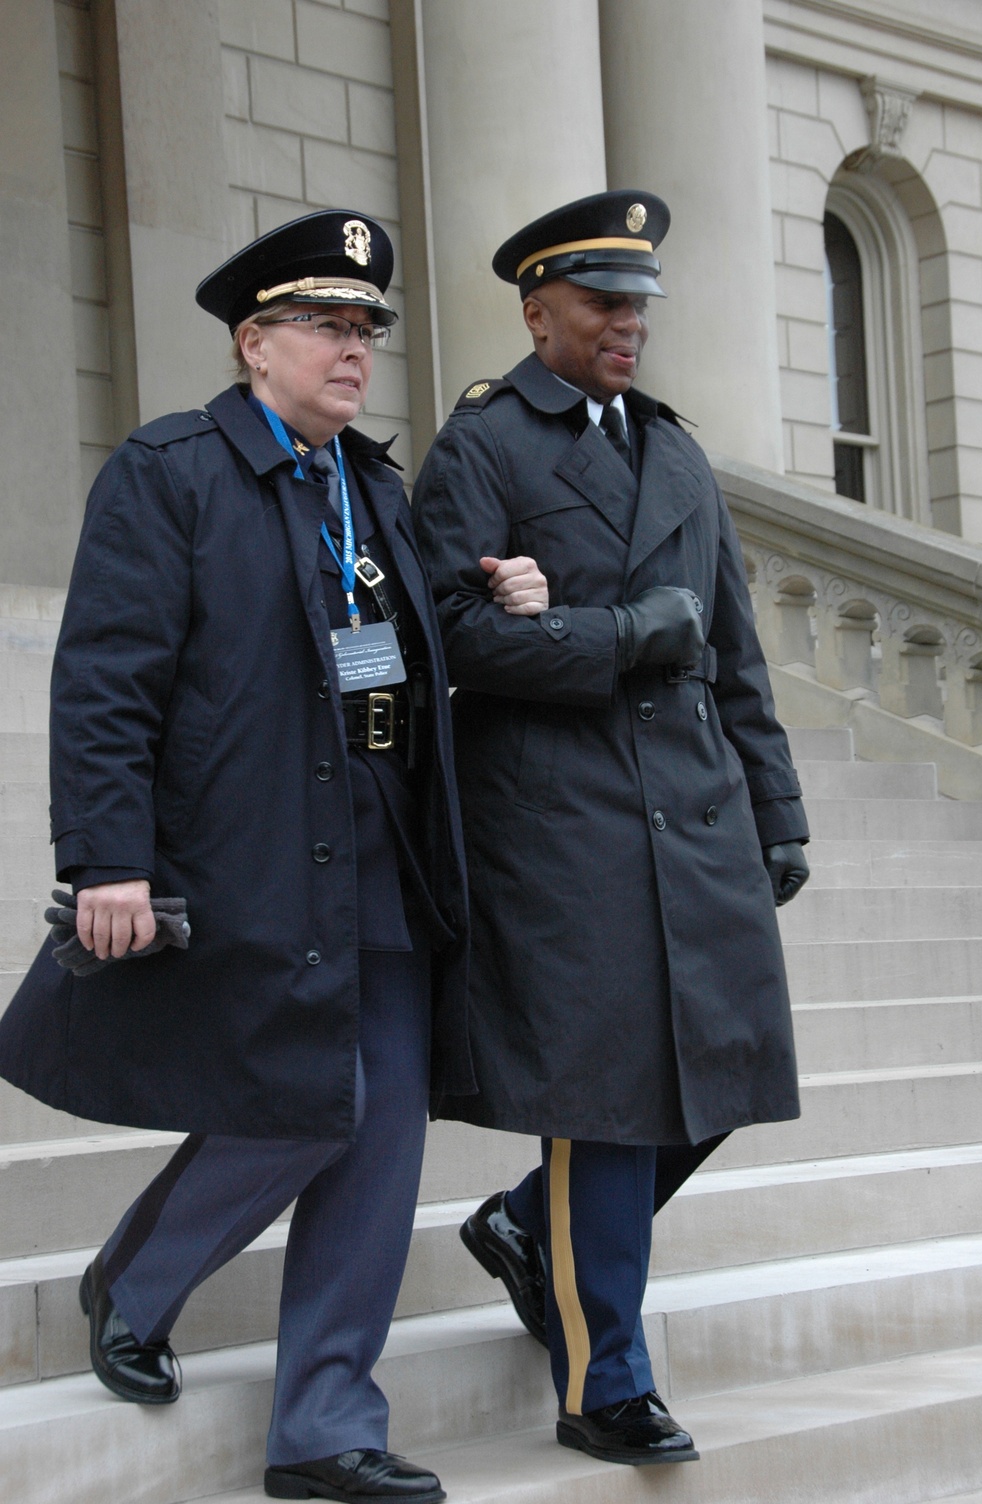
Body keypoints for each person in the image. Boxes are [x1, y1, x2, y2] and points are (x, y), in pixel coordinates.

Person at [0, 209, 542, 1503]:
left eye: (366, 330)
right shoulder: (170, 471)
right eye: (326, 326)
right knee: (305, 1107)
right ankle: (137, 1279)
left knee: (379, 1135)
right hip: (253, 856)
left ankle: (323, 1430)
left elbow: (402, 650)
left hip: (390, 860)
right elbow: (107, 685)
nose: (354, 351)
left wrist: (503, 596)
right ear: (255, 344)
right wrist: (106, 859)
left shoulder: (376, 485)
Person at [411, 189, 811, 1468]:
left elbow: (735, 650)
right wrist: (613, 638)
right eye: (600, 300)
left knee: (722, 1066)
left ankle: (531, 1228)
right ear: (537, 313)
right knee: (606, 1099)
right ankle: (605, 1381)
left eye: (637, 302)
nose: (627, 321)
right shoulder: (483, 449)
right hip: (561, 818)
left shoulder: (680, 454)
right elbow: (448, 636)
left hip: (691, 808)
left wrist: (776, 808)